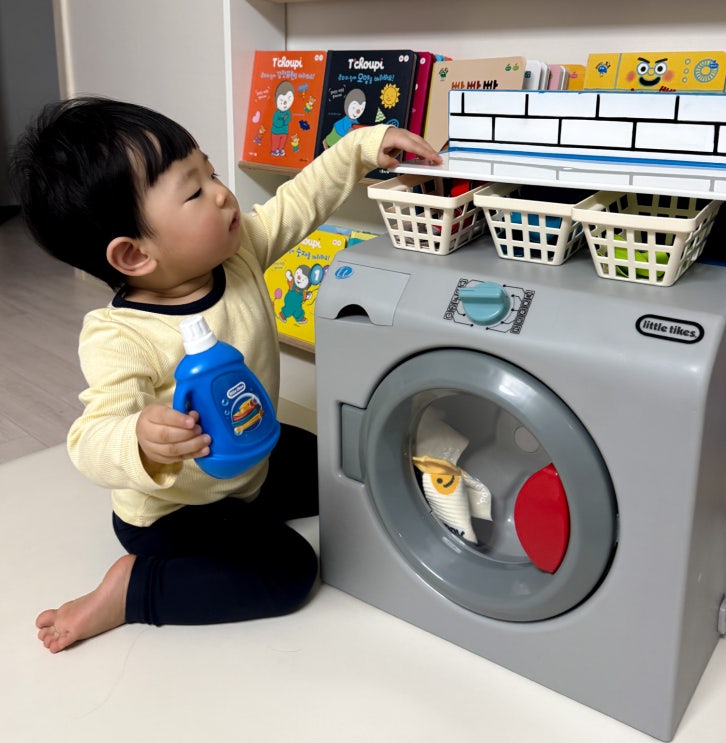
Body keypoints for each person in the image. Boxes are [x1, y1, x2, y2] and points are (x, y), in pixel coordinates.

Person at [9, 96, 442, 653]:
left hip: (252, 461)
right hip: (178, 511)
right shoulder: (120, 335)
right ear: (134, 255)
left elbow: (300, 200)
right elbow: (90, 438)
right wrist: (139, 437)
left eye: (210, 172)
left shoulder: (238, 256)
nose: (221, 193)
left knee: (344, 463)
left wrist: (361, 148)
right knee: (289, 572)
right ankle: (134, 590)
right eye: (194, 191)